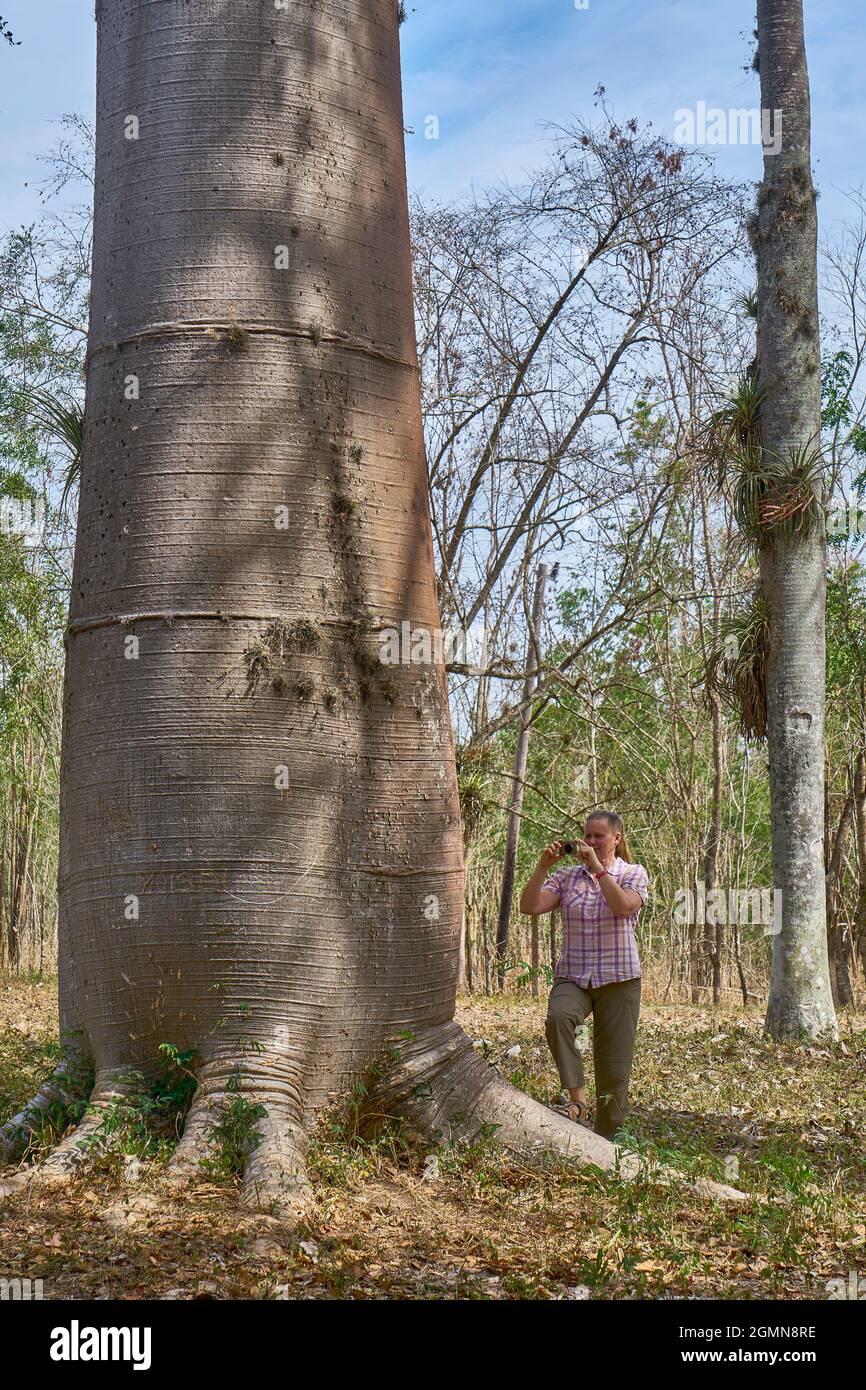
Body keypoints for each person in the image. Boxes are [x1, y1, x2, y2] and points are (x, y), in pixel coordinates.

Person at [519, 810, 649, 1140]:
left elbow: (622, 906)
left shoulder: (632, 874)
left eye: (598, 836)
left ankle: (608, 1141)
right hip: (574, 976)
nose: (589, 842)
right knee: (558, 1018)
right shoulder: (566, 878)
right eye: (586, 836)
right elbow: (530, 906)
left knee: (614, 1069)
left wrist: (600, 870)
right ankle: (578, 1102)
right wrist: (542, 867)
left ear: (616, 838)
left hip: (619, 979)